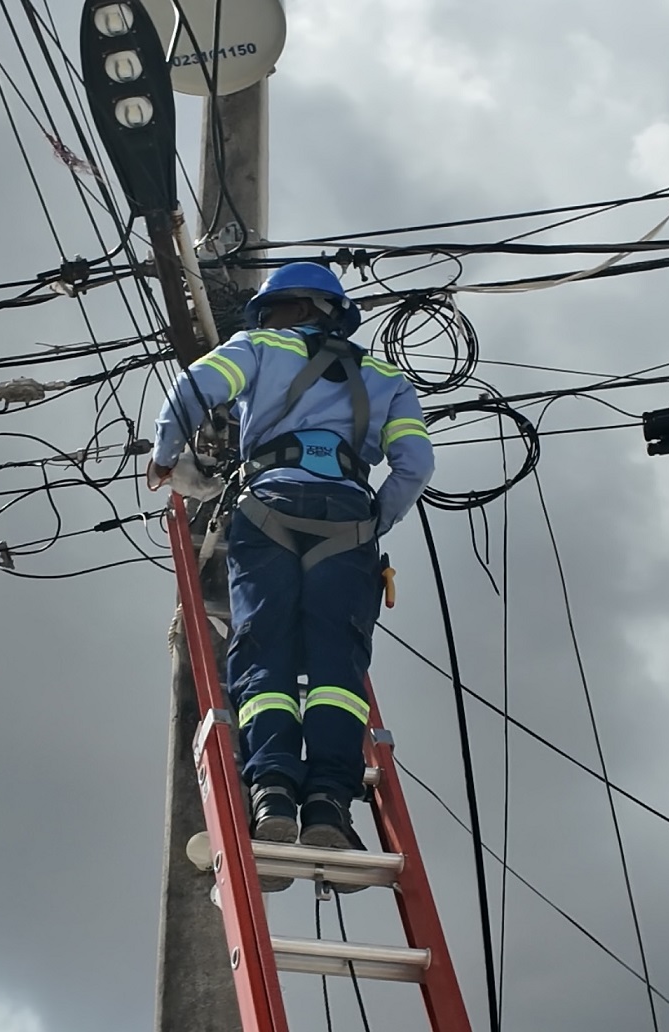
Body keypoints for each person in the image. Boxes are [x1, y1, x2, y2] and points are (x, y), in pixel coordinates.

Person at [150, 262, 433, 885]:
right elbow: (415, 463)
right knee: (337, 664)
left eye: (271, 309)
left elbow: (193, 390)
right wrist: (372, 522)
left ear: (292, 308)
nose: (266, 319)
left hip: (267, 510)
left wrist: (165, 455)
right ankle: (329, 803)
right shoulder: (385, 376)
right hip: (348, 520)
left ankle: (273, 793)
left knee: (264, 651)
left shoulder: (258, 347)